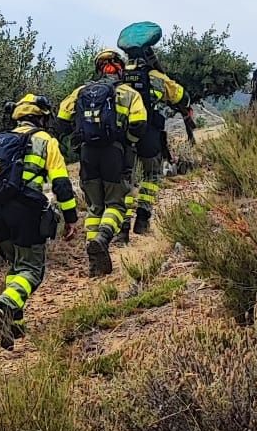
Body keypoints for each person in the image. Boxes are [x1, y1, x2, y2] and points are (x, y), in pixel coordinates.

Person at [0, 94, 78, 348]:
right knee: (32, 269)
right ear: (41, 117)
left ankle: (15, 326)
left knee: (16, 266)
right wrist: (71, 217)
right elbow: (61, 183)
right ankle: (2, 309)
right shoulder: (45, 140)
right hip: (26, 211)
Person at [58, 49, 147, 275]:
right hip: (115, 153)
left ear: (99, 69)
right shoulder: (128, 93)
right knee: (116, 204)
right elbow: (139, 123)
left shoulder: (81, 92)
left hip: (88, 154)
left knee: (94, 207)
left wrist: (78, 137)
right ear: (120, 69)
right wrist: (128, 142)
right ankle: (103, 238)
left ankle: (94, 260)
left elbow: (61, 118)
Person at [123, 48, 194, 235]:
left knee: (126, 179)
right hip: (149, 134)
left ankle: (123, 227)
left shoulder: (120, 76)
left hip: (125, 136)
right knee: (152, 175)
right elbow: (182, 96)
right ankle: (142, 219)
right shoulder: (155, 76)